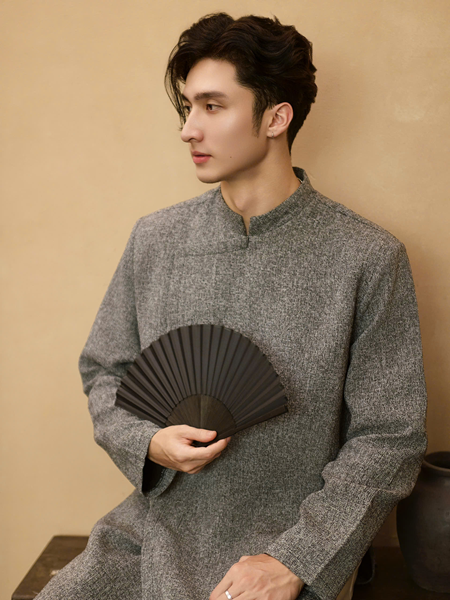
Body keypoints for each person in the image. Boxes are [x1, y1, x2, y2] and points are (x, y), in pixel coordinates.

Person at [36, 12, 427, 600]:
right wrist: (147, 443)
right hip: (148, 535)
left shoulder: (366, 257)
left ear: (275, 118)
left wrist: (296, 560)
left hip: (289, 550)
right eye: (187, 107)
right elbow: (104, 370)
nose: (188, 129)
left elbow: (390, 436)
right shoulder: (156, 240)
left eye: (212, 106)